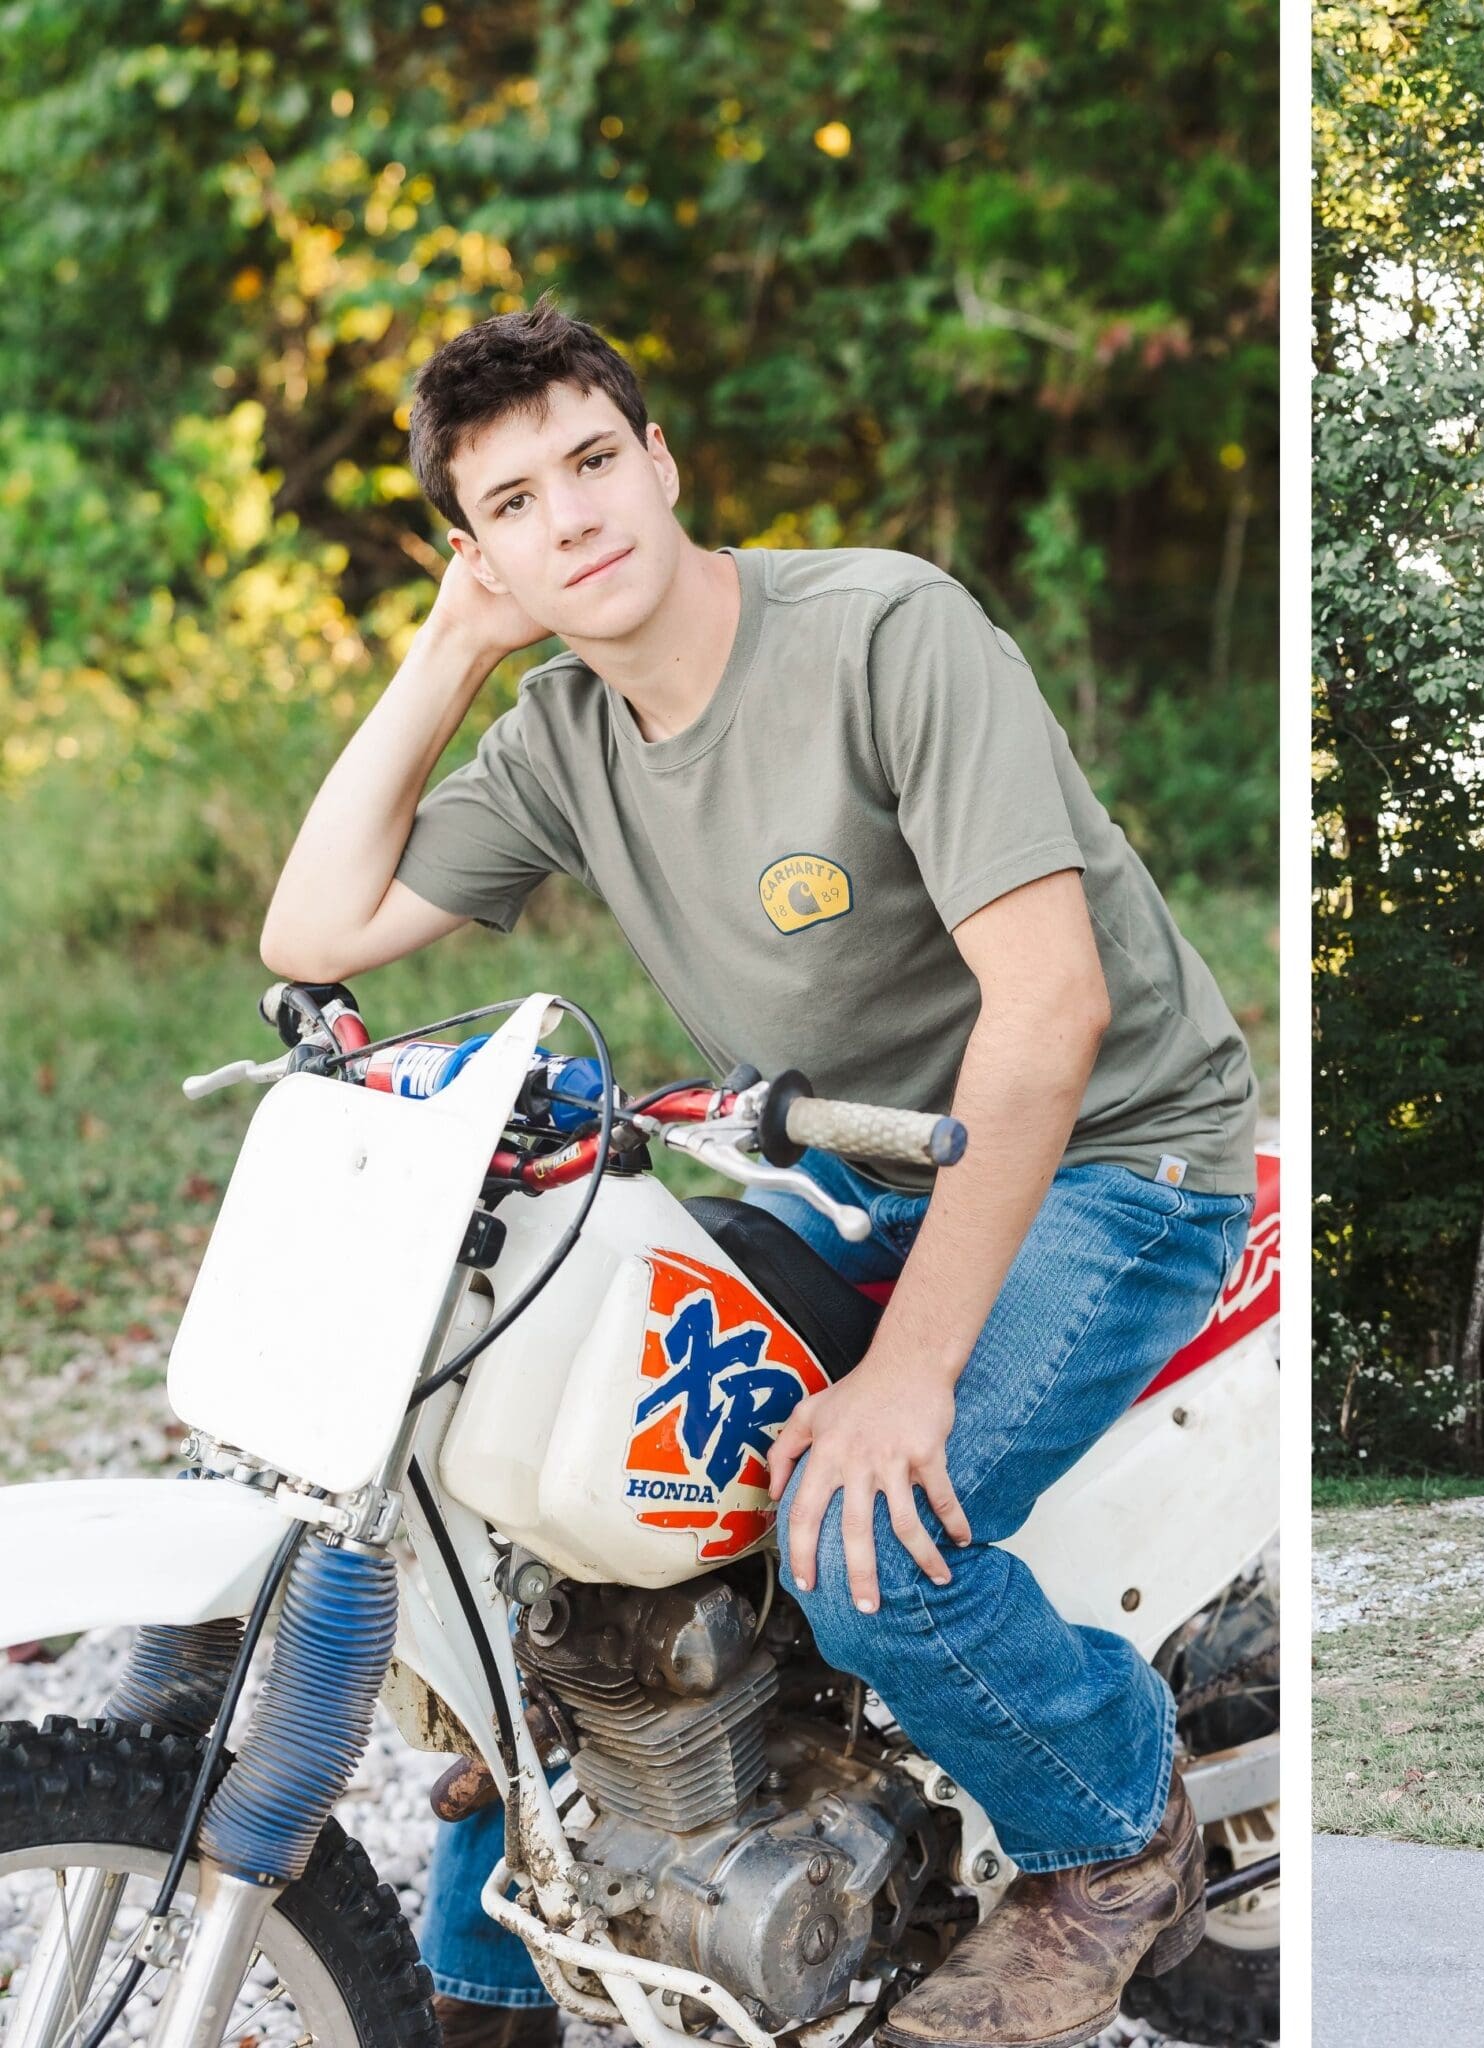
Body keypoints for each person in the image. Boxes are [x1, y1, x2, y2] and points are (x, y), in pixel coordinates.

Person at [260, 303, 1259, 2048]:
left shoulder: (887, 632)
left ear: (660, 461)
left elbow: (1051, 1010)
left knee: (864, 1544)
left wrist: (908, 1375)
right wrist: (450, 654)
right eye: (510, 506)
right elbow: (315, 929)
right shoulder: (568, 735)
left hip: (1118, 1156)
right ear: (479, 551)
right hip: (851, 1170)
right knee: (567, 1477)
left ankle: (1113, 1834)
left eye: (590, 461)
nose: (570, 519)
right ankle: (506, 1968)